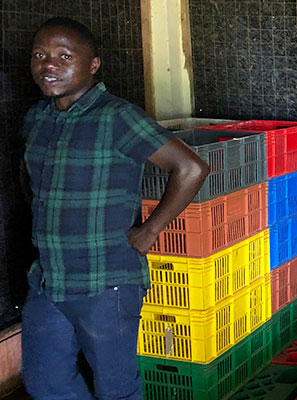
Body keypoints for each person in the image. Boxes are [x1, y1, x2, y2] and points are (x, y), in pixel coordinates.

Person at [20, 17, 210, 399]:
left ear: (92, 65)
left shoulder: (117, 117)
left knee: (117, 389)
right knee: (45, 382)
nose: (49, 65)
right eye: (40, 55)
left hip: (106, 283)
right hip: (48, 278)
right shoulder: (37, 118)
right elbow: (28, 179)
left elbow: (190, 167)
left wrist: (150, 230)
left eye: (64, 55)